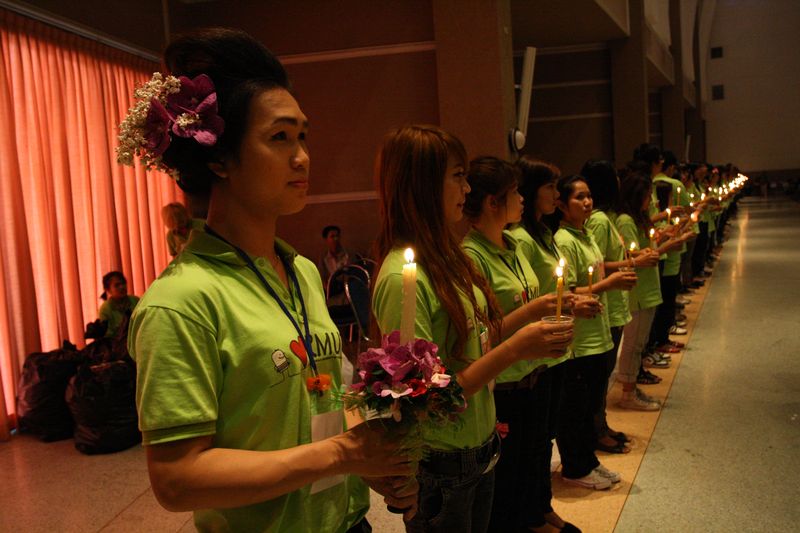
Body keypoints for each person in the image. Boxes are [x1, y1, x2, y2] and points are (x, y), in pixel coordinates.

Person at [122, 28, 415, 532]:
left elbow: (320, 403)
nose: (302, 156)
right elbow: (177, 479)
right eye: (279, 138)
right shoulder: (182, 302)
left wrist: (367, 466)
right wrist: (341, 454)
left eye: (303, 136)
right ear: (219, 158)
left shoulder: (302, 271)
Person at [372, 125, 573, 533]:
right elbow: (425, 400)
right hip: (443, 461)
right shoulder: (402, 277)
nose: (467, 188)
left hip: (478, 447)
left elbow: (475, 341)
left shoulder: (448, 259)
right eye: (457, 176)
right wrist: (515, 349)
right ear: (424, 184)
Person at [461, 157, 580, 533]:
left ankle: (537, 514)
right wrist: (533, 310)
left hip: (534, 369)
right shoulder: (472, 255)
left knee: (536, 454)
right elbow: (481, 335)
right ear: (492, 202)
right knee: (508, 476)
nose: (522, 198)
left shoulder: (512, 243)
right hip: (506, 379)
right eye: (514, 192)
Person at [508, 157, 595, 532]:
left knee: (544, 439)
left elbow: (552, 290)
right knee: (533, 442)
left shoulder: (544, 232)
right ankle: (533, 514)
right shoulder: (521, 238)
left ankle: (542, 508)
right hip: (535, 351)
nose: (555, 194)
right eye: (549, 187)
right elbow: (528, 297)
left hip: (554, 344)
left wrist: (572, 303)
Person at [551, 174, 636, 490]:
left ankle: (588, 461)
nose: (587, 202)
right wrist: (609, 284)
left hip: (597, 332)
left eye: (589, 196)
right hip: (580, 339)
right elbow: (568, 291)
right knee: (576, 407)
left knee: (590, 404)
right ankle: (575, 467)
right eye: (579, 197)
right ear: (562, 205)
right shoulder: (564, 240)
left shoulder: (585, 234)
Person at [581, 160, 636, 454]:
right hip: (607, 303)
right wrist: (630, 263)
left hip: (613, 302)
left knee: (604, 374)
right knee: (600, 376)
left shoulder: (603, 218)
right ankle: (596, 429)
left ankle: (601, 424)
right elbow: (599, 265)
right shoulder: (600, 220)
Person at [614, 173, 670, 408]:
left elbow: (643, 249)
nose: (651, 200)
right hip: (637, 290)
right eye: (647, 196)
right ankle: (627, 394)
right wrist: (665, 246)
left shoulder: (638, 218)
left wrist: (660, 239)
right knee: (634, 344)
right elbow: (630, 255)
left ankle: (632, 387)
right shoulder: (626, 220)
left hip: (647, 288)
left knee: (640, 342)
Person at [98, 271, 139, 338]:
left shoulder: (136, 301)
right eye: (117, 285)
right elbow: (107, 336)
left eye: (123, 283)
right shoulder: (105, 309)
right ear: (108, 290)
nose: (122, 287)